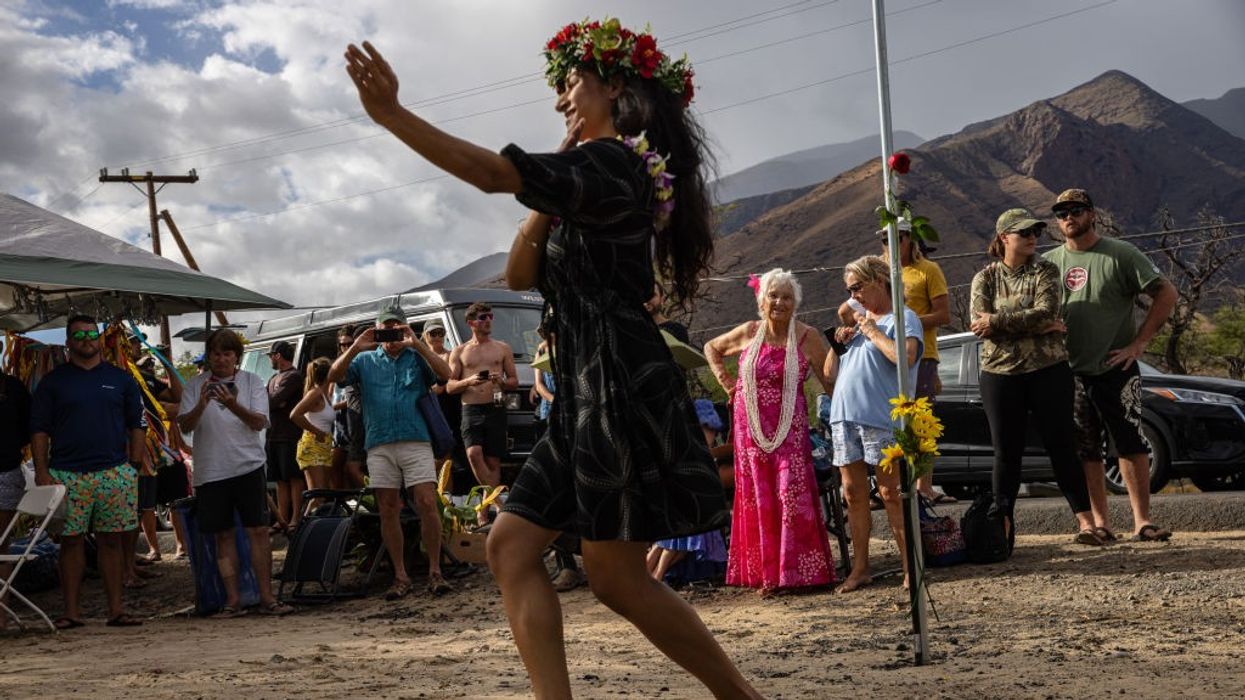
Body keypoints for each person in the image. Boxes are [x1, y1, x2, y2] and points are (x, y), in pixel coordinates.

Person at [345, 18, 759, 698]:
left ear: (615, 86)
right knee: (510, 547)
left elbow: (487, 174)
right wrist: (542, 197)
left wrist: (392, 115)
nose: (561, 99)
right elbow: (516, 273)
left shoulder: (614, 166)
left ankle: (740, 697)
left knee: (615, 578)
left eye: (570, 83)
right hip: (584, 387)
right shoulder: (585, 174)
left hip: (616, 382)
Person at [1043, 189, 1178, 542]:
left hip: (1116, 367)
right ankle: (1101, 525)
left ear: (1091, 214)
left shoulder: (1121, 254)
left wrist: (1139, 343)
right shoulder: (1050, 262)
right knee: (1085, 448)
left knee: (1130, 444)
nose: (1068, 217)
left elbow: (1166, 293)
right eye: (1061, 212)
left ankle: (1142, 522)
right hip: (1070, 370)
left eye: (1075, 210)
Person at [970, 209, 1098, 547]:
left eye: (1035, 231)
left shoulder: (1046, 270)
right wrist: (1035, 325)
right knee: (1006, 453)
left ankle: (1087, 524)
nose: (1032, 237)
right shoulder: (985, 278)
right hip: (999, 374)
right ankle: (1002, 531)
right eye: (1023, 232)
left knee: (1061, 445)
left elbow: (1046, 312)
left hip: (1048, 371)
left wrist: (998, 321)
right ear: (1003, 238)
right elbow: (977, 325)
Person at [704, 269, 835, 594]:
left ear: (795, 303)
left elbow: (831, 380)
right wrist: (729, 384)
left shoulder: (808, 337)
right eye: (773, 295)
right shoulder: (749, 331)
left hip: (790, 434)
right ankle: (769, 575)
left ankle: (798, 573)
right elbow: (712, 348)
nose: (779, 302)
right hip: (751, 434)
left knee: (790, 495)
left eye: (786, 297)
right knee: (759, 498)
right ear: (762, 300)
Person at [328, 306, 454, 599]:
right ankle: (400, 575)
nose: (392, 335)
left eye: (398, 328)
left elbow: (446, 374)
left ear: (405, 328)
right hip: (380, 442)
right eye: (387, 328)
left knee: (426, 502)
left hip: (415, 439)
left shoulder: (416, 356)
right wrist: (356, 346)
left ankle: (436, 571)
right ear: (377, 328)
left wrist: (417, 342)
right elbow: (335, 375)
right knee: (387, 508)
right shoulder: (364, 359)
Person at [30, 315, 146, 628]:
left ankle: (116, 611)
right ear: (67, 342)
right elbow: (39, 429)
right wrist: (42, 471)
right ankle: (71, 613)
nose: (86, 339)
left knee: (112, 542)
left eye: (91, 333)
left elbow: (138, 424)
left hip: (113, 472)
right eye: (78, 334)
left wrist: (133, 466)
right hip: (67, 473)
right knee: (70, 542)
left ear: (100, 339)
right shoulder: (53, 382)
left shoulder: (121, 379)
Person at [177, 329, 293, 618]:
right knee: (223, 537)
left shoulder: (252, 381)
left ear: (236, 357)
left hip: (248, 466)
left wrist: (231, 403)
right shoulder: (195, 385)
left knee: (258, 532)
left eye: (227, 353)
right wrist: (203, 403)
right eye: (216, 353)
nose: (221, 359)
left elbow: (259, 422)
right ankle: (232, 600)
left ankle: (267, 598)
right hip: (211, 471)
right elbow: (185, 427)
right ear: (209, 356)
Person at [837, 218, 951, 503]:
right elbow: (844, 310)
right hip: (880, 351)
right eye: (886, 239)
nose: (891, 243)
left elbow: (943, 315)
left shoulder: (927, 270)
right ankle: (887, 486)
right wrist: (863, 319)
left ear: (909, 239)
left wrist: (898, 321)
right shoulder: (873, 275)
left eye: (897, 237)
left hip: (920, 352)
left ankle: (923, 486)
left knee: (919, 423)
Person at [828, 256, 923, 593]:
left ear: (879, 281)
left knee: (891, 493)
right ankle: (860, 567)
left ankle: (911, 567)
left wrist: (870, 329)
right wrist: (841, 339)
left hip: (882, 416)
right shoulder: (858, 324)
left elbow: (905, 358)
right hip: (844, 415)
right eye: (850, 290)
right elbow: (828, 375)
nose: (854, 296)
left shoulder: (903, 318)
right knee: (853, 494)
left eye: (858, 287)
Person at [646, 398, 729, 587]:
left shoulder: (674, 433)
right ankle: (654, 579)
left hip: (678, 492)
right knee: (677, 542)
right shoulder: (699, 431)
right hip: (690, 494)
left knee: (670, 542)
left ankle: (647, 579)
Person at [447, 301, 518, 519]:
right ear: (471, 323)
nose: (488, 321)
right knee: (473, 453)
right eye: (483, 318)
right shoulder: (460, 351)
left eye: (490, 317)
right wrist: (469, 381)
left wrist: (502, 382)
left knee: (493, 461)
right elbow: (449, 386)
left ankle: (484, 512)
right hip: (471, 409)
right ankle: (498, 503)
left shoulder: (502, 347)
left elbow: (513, 381)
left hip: (495, 406)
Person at [0, 366, 31, 630]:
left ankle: (1, 614)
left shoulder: (14, 388)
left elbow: (27, 429)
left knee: (0, 546)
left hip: (6, 471)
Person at [265, 341, 305, 533]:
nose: (270, 359)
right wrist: (272, 403)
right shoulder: (274, 377)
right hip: (273, 434)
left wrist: (273, 403)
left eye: (270, 355)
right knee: (280, 480)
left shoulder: (295, 376)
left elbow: (273, 401)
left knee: (294, 478)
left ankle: (296, 517)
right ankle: (281, 518)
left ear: (278, 355)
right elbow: (265, 402)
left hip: (290, 435)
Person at [424, 318, 468, 492]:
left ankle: (445, 499)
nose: (437, 337)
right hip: (427, 412)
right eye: (432, 333)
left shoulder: (449, 356)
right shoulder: (420, 357)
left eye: (440, 333)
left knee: (445, 460)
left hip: (446, 413)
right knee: (435, 458)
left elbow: (441, 388)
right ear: (425, 335)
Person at [291, 358, 335, 505]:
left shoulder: (324, 394)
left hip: (324, 446)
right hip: (313, 445)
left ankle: (315, 524)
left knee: (322, 493)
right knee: (317, 495)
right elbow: (295, 415)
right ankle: (305, 526)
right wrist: (317, 432)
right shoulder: (314, 393)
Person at [330, 326, 367, 490]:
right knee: (339, 466)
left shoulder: (361, 362)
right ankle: (350, 502)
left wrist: (334, 406)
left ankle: (376, 500)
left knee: (354, 466)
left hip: (357, 419)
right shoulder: (339, 364)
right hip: (340, 423)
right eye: (342, 345)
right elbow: (331, 389)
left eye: (349, 343)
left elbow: (357, 396)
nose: (345, 348)